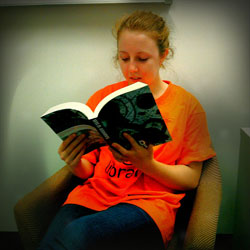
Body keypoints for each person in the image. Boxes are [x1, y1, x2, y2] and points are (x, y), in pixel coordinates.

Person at [38, 10, 216, 250]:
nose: (132, 69)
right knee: (52, 241)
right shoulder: (102, 98)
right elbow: (87, 170)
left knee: (77, 234)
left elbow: (192, 180)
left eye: (142, 59)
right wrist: (74, 161)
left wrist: (147, 164)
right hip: (93, 196)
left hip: (148, 205)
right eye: (124, 58)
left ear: (163, 55)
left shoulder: (187, 106)